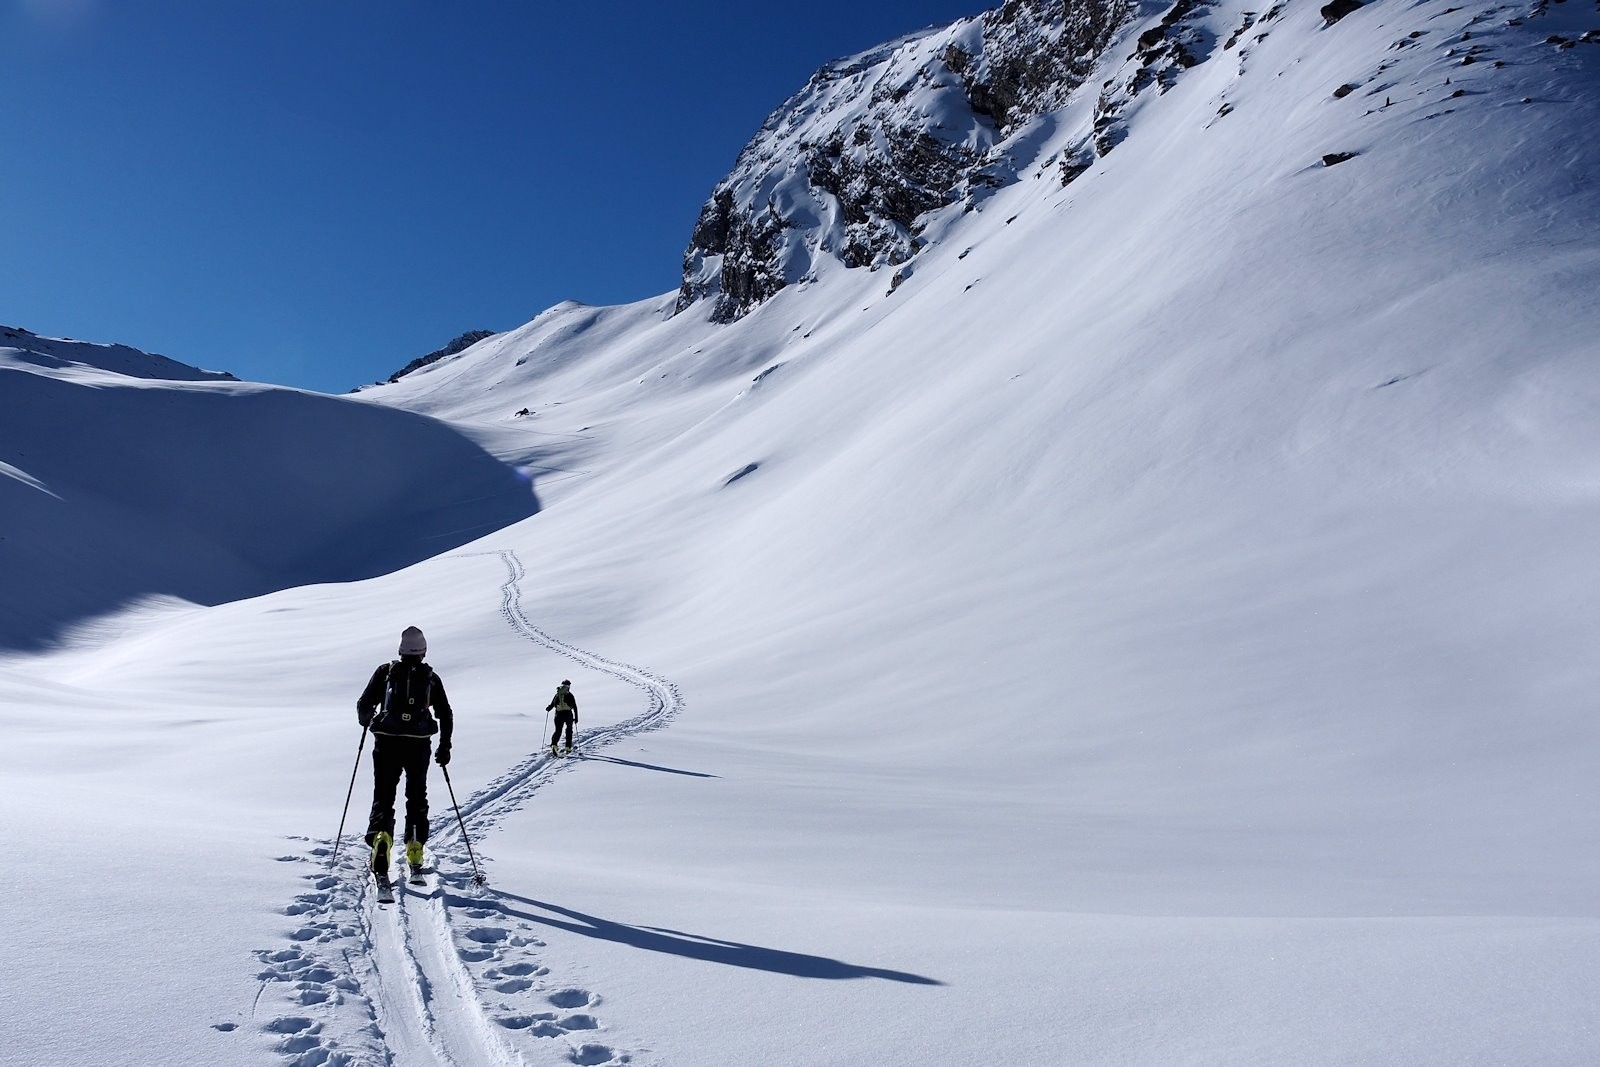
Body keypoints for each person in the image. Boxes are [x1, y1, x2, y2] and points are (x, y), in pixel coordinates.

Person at [356, 626, 454, 884]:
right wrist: (445, 746)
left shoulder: (386, 672)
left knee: (384, 794)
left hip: (386, 742)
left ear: (400, 649)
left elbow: (363, 705)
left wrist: (366, 720)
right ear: (423, 651)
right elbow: (446, 713)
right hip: (418, 744)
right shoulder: (431, 677)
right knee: (417, 795)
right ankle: (414, 846)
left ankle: (381, 840)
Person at [546, 679, 577, 755]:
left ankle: (554, 745)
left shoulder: (557, 694)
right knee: (569, 730)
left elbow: (552, 704)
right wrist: (576, 718)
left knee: (558, 730)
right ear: (569, 686)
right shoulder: (570, 695)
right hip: (568, 715)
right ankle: (568, 747)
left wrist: (548, 708)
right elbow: (575, 707)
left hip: (558, 715)